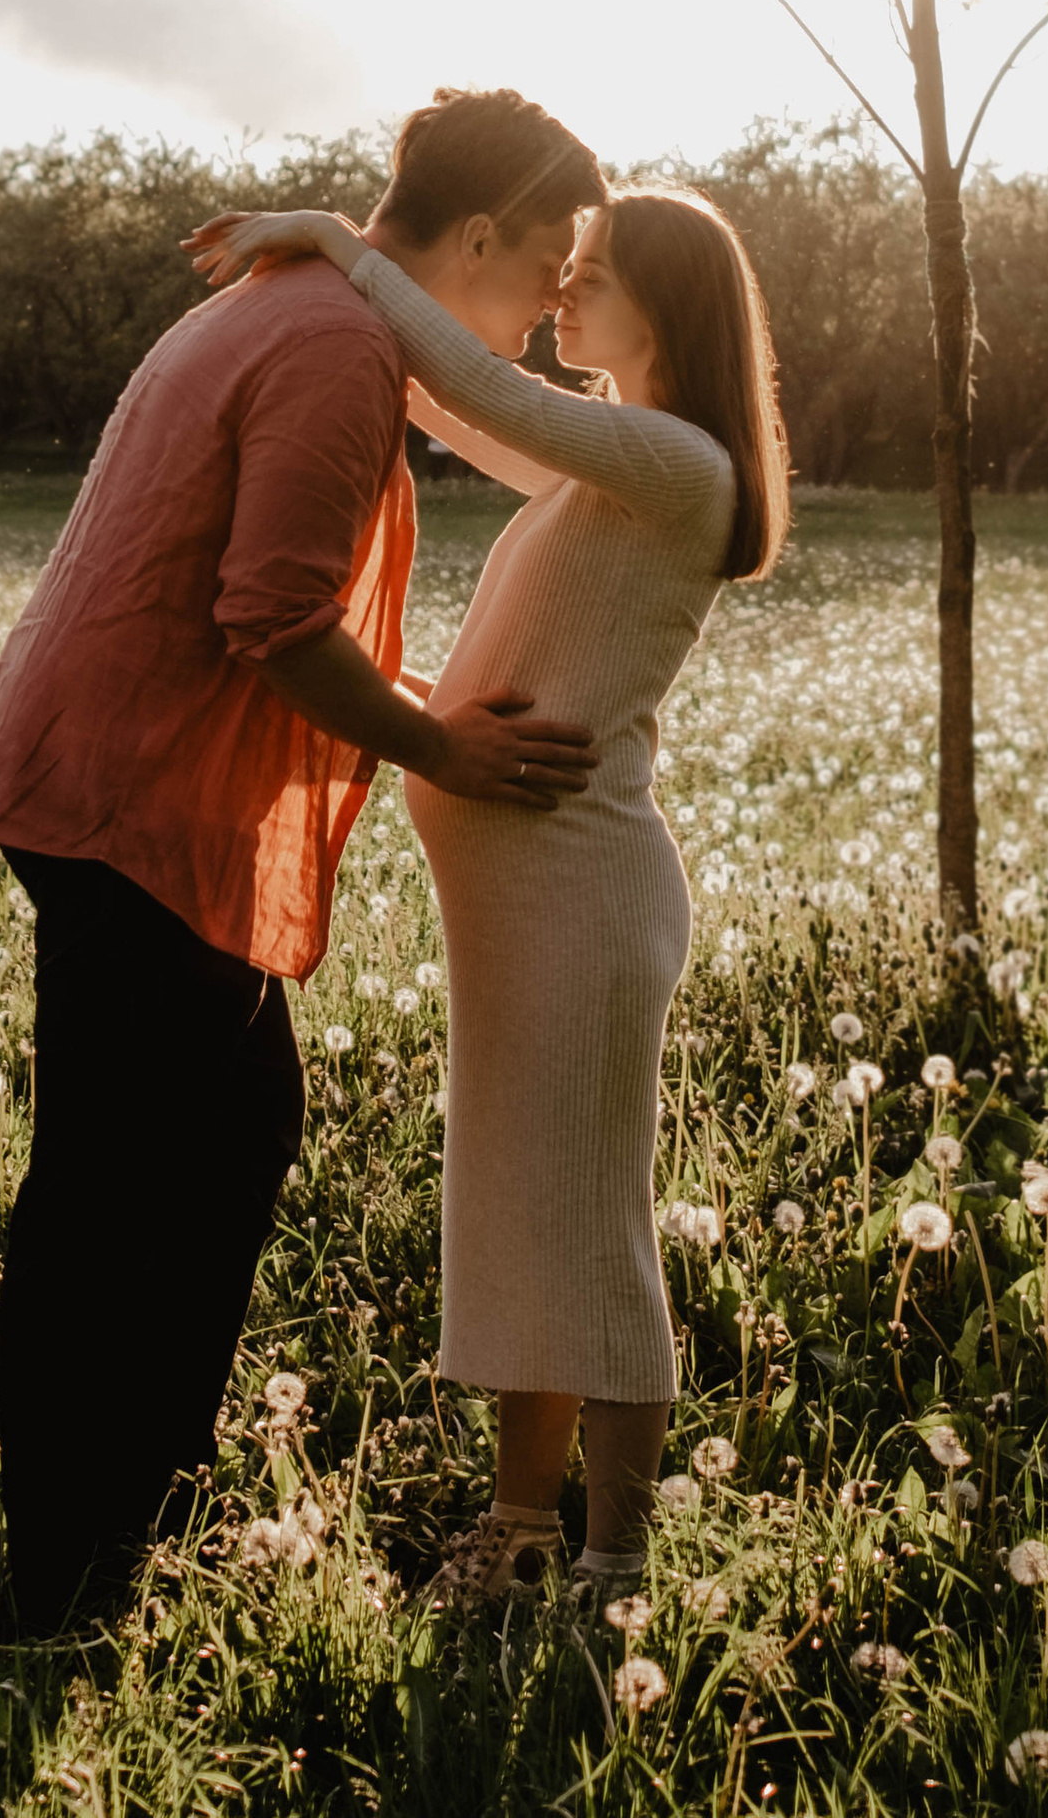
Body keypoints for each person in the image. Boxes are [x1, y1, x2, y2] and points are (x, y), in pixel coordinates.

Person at [0, 86, 606, 1634]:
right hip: (137, 792)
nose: (544, 314)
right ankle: (71, 1566)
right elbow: (277, 617)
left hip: (113, 775)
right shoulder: (327, 345)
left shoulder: (304, 302)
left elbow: (477, 436)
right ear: (478, 233)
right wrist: (442, 741)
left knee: (209, 1140)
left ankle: (117, 1516)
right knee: (125, 1181)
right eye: (544, 270)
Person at [185, 182, 788, 1605]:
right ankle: (520, 1532)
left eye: (589, 273)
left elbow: (470, 382)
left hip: (583, 898)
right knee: (526, 1222)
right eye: (563, 269)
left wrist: (344, 247)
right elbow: (454, 406)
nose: (562, 293)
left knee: (592, 1229)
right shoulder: (615, 468)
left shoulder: (677, 462)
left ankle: (614, 1564)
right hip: (530, 909)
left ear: (665, 303)